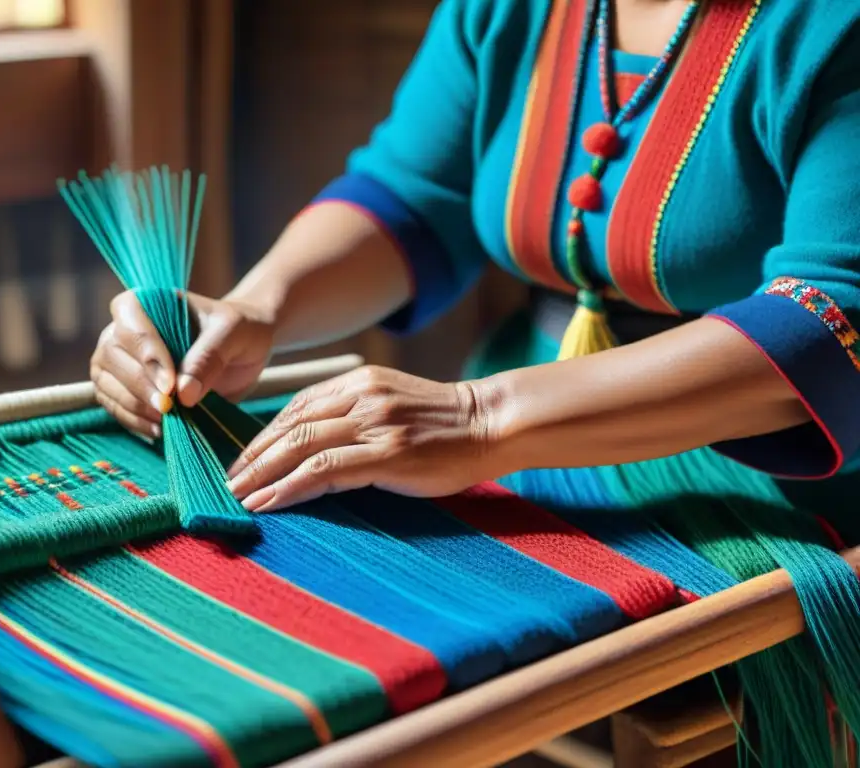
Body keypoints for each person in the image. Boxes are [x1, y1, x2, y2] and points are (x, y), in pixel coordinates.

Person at [92, 0, 860, 516]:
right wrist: (254, 310)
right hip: (515, 431)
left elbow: (832, 317)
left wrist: (482, 417)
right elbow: (414, 195)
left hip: (757, 475)